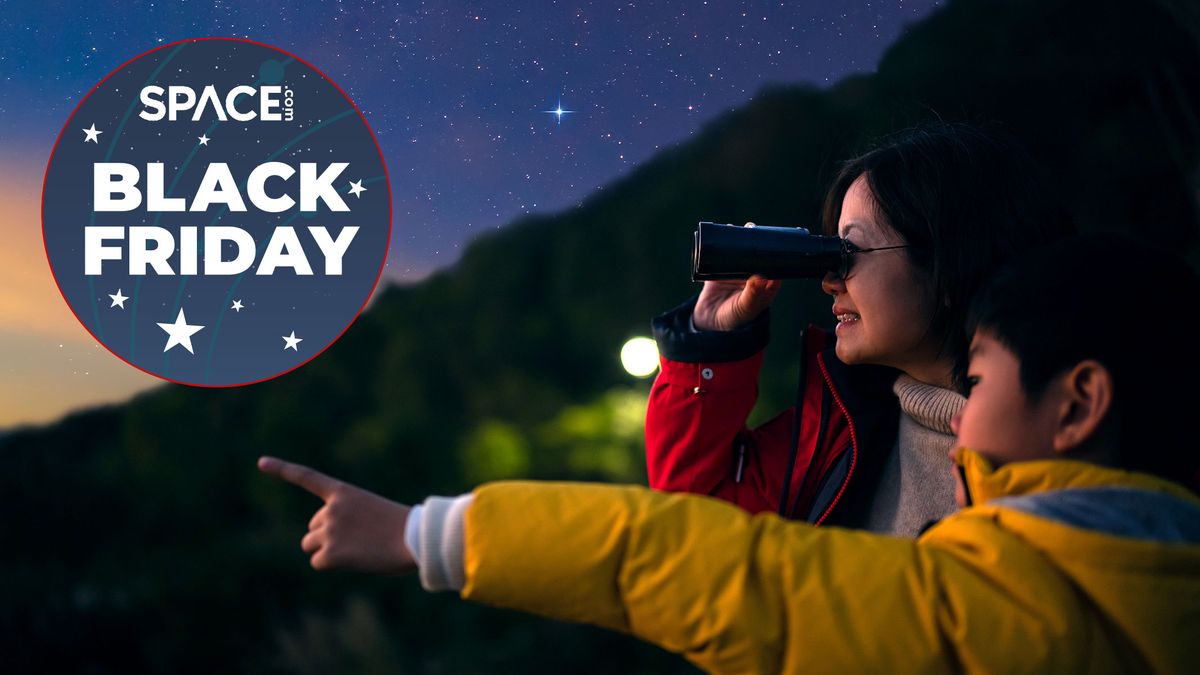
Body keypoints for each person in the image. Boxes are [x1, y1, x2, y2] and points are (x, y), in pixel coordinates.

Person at [260, 234, 1200, 673]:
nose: (828, 272)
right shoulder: (876, 425)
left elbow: (724, 569)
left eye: (856, 244)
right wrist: (710, 359)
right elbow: (707, 505)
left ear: (1076, 402)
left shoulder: (1032, 591)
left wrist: (429, 533)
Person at [646, 122, 1075, 535]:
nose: (830, 280)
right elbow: (700, 516)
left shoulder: (1071, 435)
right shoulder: (845, 426)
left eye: (849, 251)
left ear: (949, 262)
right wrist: (710, 342)